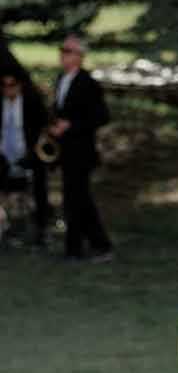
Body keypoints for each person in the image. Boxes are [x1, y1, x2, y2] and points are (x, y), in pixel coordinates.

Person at [51, 32, 112, 261]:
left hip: (81, 151)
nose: (62, 55)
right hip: (65, 151)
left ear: (79, 56)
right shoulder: (60, 80)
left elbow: (101, 116)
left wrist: (71, 125)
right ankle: (98, 244)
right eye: (62, 51)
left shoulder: (89, 83)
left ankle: (75, 248)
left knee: (76, 200)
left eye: (67, 51)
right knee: (78, 199)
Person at [0, 59, 52, 246]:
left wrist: (32, 153)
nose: (8, 89)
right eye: (4, 86)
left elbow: (44, 127)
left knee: (39, 190)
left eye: (11, 85)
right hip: (4, 155)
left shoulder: (31, 102)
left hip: (30, 153)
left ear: (19, 85)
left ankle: (42, 229)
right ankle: (7, 228)